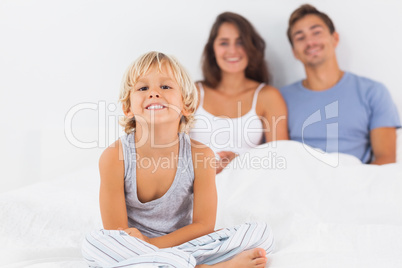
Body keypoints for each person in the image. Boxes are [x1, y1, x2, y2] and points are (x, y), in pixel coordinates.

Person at [81, 51, 274, 268]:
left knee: (260, 233)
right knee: (95, 244)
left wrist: (153, 245)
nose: (154, 93)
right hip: (132, 249)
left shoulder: (200, 155)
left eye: (165, 87)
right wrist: (143, 246)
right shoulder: (114, 157)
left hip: (182, 245)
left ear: (187, 105)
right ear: (127, 108)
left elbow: (203, 226)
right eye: (143, 88)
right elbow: (116, 233)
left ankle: (172, 263)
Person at [280, 4, 401, 165]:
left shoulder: (372, 92)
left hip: (356, 183)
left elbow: (385, 158)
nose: (310, 42)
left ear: (335, 38)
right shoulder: (280, 98)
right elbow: (279, 156)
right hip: (301, 184)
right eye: (300, 37)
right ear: (294, 51)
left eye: (316, 32)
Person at [190, 12, 288, 173]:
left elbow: (281, 158)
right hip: (196, 187)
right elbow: (172, 150)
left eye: (240, 42)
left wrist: (239, 162)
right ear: (212, 49)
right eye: (224, 43)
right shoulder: (193, 92)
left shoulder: (268, 96)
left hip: (245, 186)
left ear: (251, 48)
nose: (233, 50)